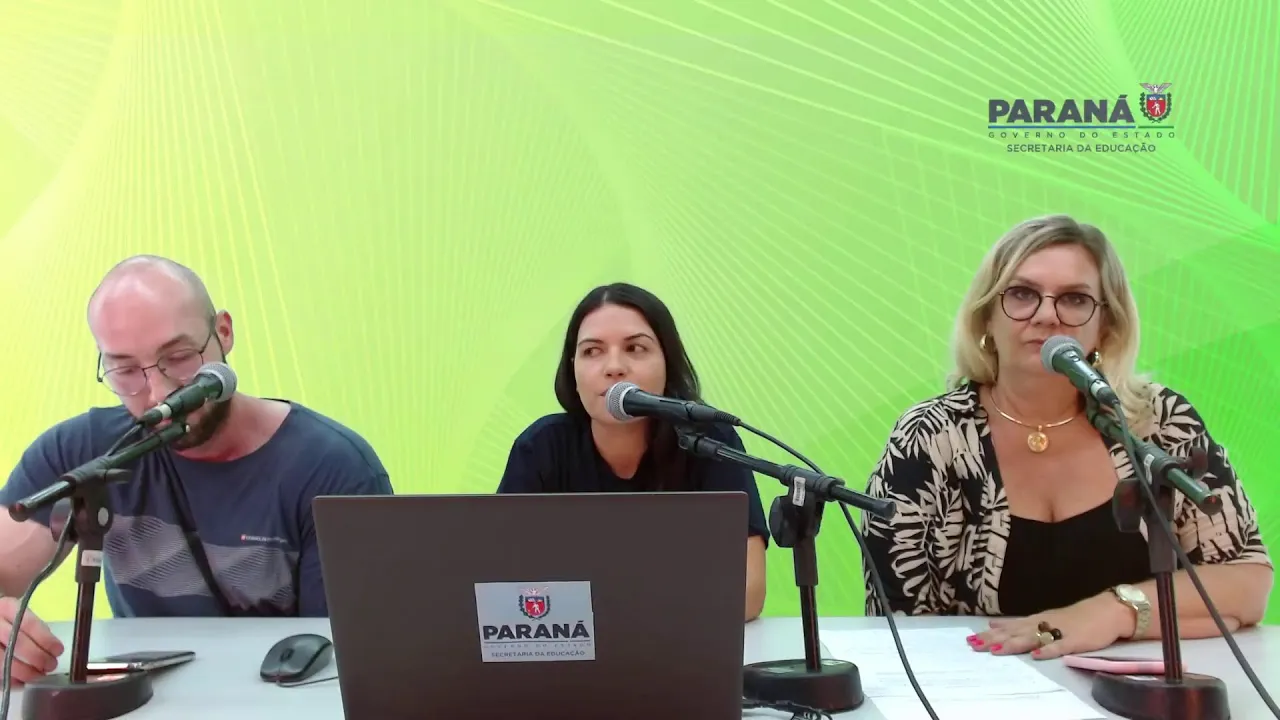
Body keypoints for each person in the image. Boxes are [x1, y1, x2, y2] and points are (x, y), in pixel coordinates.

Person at [861, 215, 1273, 660]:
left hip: (1136, 687)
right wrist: (1178, 611)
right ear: (986, 318)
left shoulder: (1159, 421)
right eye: (1022, 294)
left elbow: (1246, 584)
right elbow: (896, 625)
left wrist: (1112, 613)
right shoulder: (929, 437)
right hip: (986, 683)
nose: (1046, 316)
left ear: (1106, 325)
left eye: (1074, 299)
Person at [0, 255, 392, 686]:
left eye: (180, 357)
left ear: (223, 332)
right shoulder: (83, 453)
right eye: (125, 370)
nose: (158, 394)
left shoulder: (334, 469)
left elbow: (350, 663)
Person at [495, 282, 770, 621]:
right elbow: (500, 587)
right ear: (573, 370)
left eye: (635, 348)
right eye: (592, 351)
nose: (614, 367)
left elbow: (748, 592)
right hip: (571, 646)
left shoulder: (709, 441)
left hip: (679, 644)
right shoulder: (541, 447)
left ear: (667, 362)